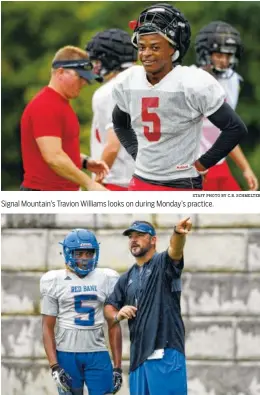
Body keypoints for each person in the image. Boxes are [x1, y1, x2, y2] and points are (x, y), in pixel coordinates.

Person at [112, 3, 248, 191]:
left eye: (155, 47)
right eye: (142, 47)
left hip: (181, 184)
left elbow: (235, 128)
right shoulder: (129, 79)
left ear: (173, 48)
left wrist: (202, 164)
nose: (146, 54)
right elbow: (119, 123)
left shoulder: (193, 82)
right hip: (141, 181)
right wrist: (137, 153)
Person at [104, 218, 192, 395]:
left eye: (140, 235)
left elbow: (175, 250)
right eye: (130, 236)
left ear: (153, 240)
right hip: (138, 360)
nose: (133, 239)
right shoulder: (126, 277)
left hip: (165, 353)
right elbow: (109, 307)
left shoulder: (163, 263)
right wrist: (117, 315)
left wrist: (177, 234)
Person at [40, 228, 123, 395]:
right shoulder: (54, 280)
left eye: (89, 253)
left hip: (98, 353)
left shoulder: (107, 278)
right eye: (79, 253)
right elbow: (47, 327)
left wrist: (118, 367)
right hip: (67, 354)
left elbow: (113, 324)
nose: (85, 258)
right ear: (68, 253)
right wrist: (54, 366)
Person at [20, 45, 109, 191]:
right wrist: (89, 183)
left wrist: (85, 162)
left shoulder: (61, 104)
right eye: (80, 77)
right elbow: (54, 157)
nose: (84, 83)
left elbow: (61, 150)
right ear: (60, 72)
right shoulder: (45, 106)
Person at [194, 21, 258, 191]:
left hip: (219, 164)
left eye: (228, 56)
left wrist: (245, 168)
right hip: (195, 168)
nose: (224, 61)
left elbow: (226, 131)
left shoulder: (232, 80)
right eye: (219, 55)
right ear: (206, 52)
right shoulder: (190, 81)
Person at [86, 28, 137, 191]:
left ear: (110, 59)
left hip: (117, 181)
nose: (95, 68)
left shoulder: (109, 91)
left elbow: (113, 145)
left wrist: (95, 184)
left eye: (97, 62)